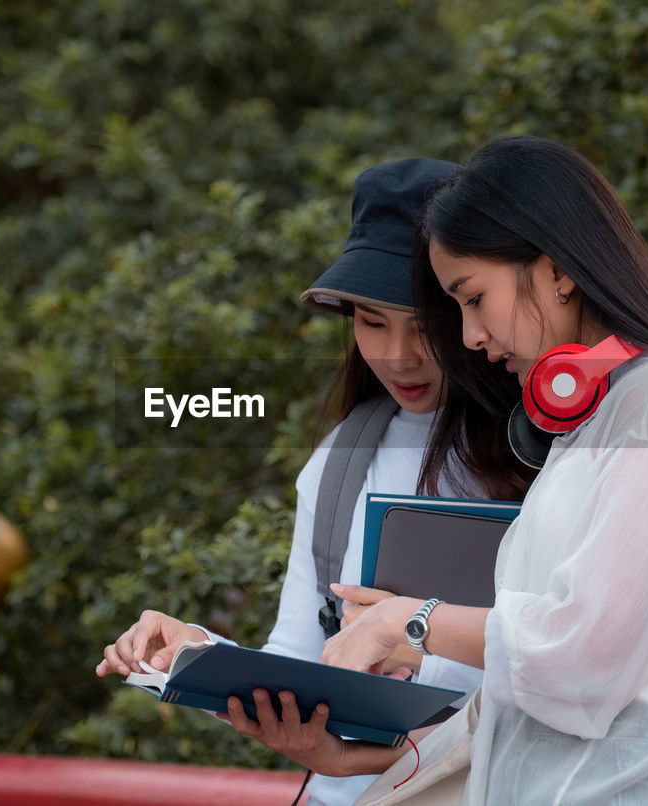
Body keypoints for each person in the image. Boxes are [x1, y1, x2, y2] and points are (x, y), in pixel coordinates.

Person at [315, 135, 648, 804]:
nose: (471, 337)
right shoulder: (599, 419)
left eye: (473, 298)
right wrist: (368, 759)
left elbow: (584, 661)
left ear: (557, 272)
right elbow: (530, 714)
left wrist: (409, 622)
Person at [96, 157, 530, 806]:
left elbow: (569, 671)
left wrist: (408, 645)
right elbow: (303, 661)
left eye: (425, 327)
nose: (397, 355)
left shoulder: (544, 454)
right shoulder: (342, 457)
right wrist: (196, 653)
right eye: (372, 322)